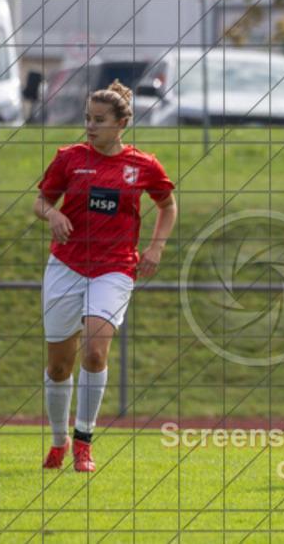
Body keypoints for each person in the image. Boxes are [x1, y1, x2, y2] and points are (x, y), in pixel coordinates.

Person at [34, 80, 177, 472]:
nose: (90, 126)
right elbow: (41, 200)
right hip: (66, 265)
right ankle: (58, 442)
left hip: (115, 267)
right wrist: (54, 213)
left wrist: (156, 247)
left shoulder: (144, 165)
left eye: (99, 120)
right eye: (87, 118)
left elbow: (168, 205)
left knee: (95, 351)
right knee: (59, 366)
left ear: (122, 123)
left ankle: (83, 441)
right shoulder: (69, 158)